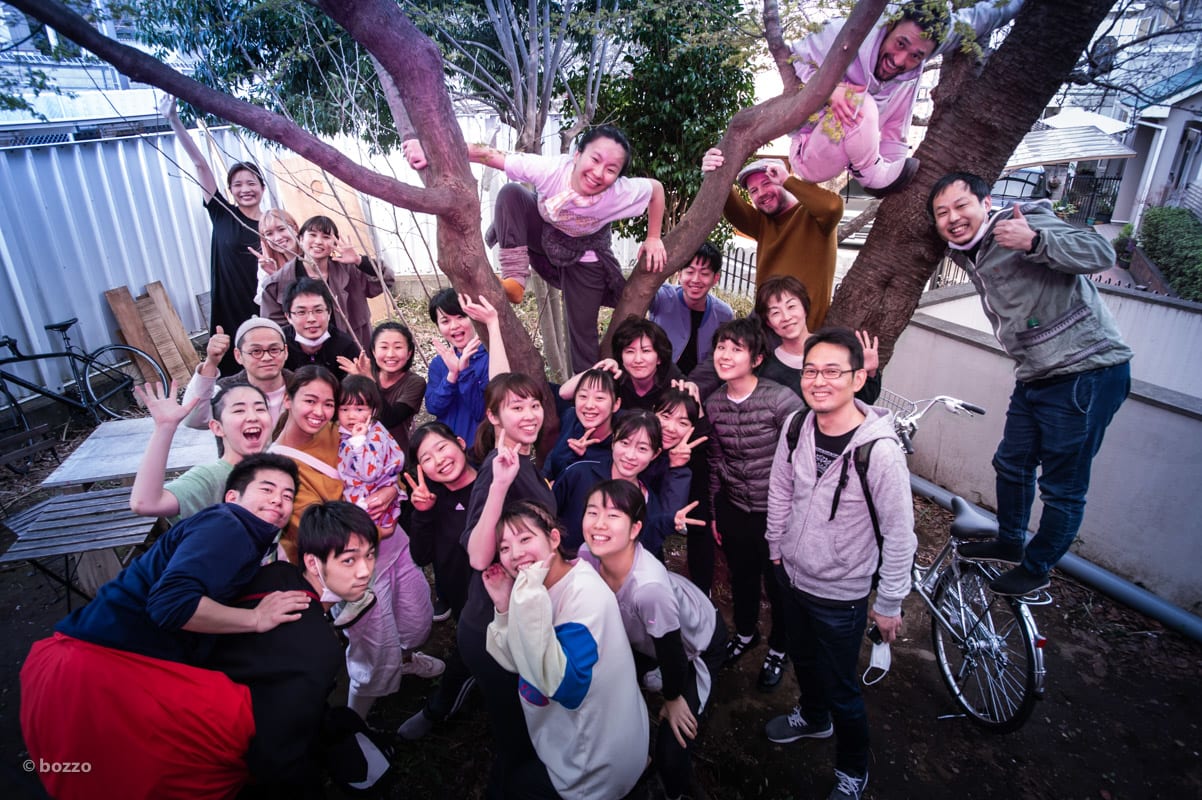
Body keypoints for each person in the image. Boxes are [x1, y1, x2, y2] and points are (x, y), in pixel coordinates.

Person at [20, 454, 302, 800]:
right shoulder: (229, 525)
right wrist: (255, 619)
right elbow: (172, 605)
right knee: (227, 735)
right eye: (267, 489)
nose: (278, 500)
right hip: (95, 670)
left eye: (288, 495)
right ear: (232, 497)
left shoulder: (239, 533)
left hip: (85, 660)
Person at [927, 171, 1132, 596]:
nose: (953, 218)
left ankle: (1037, 567)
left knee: (1061, 486)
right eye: (941, 213)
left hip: (1086, 370)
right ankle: (1011, 540)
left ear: (986, 204)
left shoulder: (1024, 222)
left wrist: (1036, 241)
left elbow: (1099, 252)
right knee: (1012, 462)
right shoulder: (969, 250)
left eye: (961, 206)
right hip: (1036, 374)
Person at [763, 327, 916, 800]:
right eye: (811, 371)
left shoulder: (880, 451)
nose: (819, 381)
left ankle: (853, 768)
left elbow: (900, 533)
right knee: (805, 661)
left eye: (832, 371)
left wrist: (888, 602)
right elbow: (781, 488)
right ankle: (813, 718)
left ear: (857, 378)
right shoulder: (797, 426)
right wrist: (775, 544)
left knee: (842, 687)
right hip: (792, 576)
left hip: (841, 594)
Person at [406, 126, 667, 372]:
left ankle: (588, 391)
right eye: (595, 159)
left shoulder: (620, 193)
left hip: (585, 254)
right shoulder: (551, 170)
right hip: (544, 233)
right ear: (577, 155)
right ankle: (515, 281)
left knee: (582, 336)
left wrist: (654, 237)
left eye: (611, 169)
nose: (599, 173)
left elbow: (656, 190)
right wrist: (431, 149)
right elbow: (489, 154)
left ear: (618, 177)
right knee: (511, 194)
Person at [270, 365, 441, 718]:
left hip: (394, 546)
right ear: (288, 399)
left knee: (415, 612)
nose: (320, 411)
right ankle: (356, 719)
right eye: (310, 401)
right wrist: (379, 530)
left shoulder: (342, 428)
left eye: (328, 403)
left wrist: (392, 489)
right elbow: (314, 534)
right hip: (354, 565)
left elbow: (384, 466)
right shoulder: (279, 466)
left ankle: (407, 659)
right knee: (374, 646)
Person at [202, 501, 390, 797]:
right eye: (349, 561)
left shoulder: (277, 573)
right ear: (313, 563)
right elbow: (280, 749)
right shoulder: (319, 651)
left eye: (369, 555)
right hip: (224, 755)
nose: (365, 571)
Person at [483, 499, 650, 800]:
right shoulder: (533, 586)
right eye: (504, 548)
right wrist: (505, 607)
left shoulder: (583, 596)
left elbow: (566, 687)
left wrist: (524, 599)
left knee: (510, 787)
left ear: (554, 538)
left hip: (591, 767)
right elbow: (516, 660)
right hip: (562, 737)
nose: (515, 554)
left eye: (525, 539)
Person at [579, 479, 726, 800]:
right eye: (592, 512)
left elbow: (674, 655)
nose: (599, 524)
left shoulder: (649, 590)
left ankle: (675, 792)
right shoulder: (587, 556)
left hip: (697, 644)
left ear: (635, 529)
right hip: (645, 635)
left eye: (613, 516)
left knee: (672, 750)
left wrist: (673, 698)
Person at [786, 1, 1025, 196]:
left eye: (915, 56)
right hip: (810, 152)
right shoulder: (844, 33)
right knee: (858, 100)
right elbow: (792, 61)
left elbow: (980, 19)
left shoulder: (921, 51)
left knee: (899, 92)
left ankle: (881, 173)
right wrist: (827, 88)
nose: (900, 60)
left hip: (859, 148)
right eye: (900, 44)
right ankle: (870, 172)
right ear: (889, 27)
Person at [460, 373, 557, 798]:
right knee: (517, 739)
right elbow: (478, 556)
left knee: (528, 727)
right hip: (492, 625)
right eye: (516, 407)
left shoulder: (523, 460)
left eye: (534, 405)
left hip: (516, 616)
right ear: (494, 416)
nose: (530, 414)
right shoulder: (497, 470)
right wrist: (500, 485)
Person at [704, 318, 803, 692]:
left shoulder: (781, 400)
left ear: (757, 359)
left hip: (777, 512)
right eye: (721, 347)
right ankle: (746, 633)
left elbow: (801, 460)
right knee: (742, 576)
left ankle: (780, 647)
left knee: (779, 586)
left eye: (736, 349)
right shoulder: (714, 404)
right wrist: (715, 511)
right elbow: (715, 460)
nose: (725, 355)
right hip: (734, 508)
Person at [160, 94, 264, 376]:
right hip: (228, 306)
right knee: (231, 369)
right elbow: (200, 165)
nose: (245, 189)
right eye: (237, 184)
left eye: (251, 183)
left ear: (262, 188)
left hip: (261, 306)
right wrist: (174, 120)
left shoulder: (271, 223)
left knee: (264, 361)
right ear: (230, 190)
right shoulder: (221, 213)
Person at [396, 422, 479, 741]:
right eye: (426, 459)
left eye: (442, 447)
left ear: (460, 442)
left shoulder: (491, 483)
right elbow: (421, 556)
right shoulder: (431, 498)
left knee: (468, 656)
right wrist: (422, 512)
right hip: (460, 599)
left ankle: (437, 709)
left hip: (499, 600)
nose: (439, 460)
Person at [700, 151, 841, 328]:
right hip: (766, 330)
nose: (761, 193)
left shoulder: (814, 217)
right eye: (753, 191)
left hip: (804, 333)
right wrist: (715, 170)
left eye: (767, 183)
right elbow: (730, 205)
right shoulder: (762, 223)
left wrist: (788, 181)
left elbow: (833, 207)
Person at [553, 410, 690, 558]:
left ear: (655, 454)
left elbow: (646, 552)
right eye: (625, 443)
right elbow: (547, 516)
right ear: (613, 442)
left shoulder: (648, 502)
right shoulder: (579, 474)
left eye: (642, 449)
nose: (630, 455)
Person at [130, 381, 272, 523]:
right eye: (239, 410)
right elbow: (146, 503)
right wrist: (165, 427)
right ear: (217, 428)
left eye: (260, 409)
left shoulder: (277, 468)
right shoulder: (211, 477)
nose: (253, 417)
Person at [260, 214, 395, 349]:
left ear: (335, 244)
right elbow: (274, 327)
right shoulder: (279, 281)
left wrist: (359, 260)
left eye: (326, 237)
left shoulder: (349, 270)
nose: (318, 241)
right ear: (300, 239)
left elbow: (386, 279)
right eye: (312, 235)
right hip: (307, 354)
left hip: (354, 347)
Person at [755, 275, 881, 405]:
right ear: (768, 322)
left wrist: (870, 372)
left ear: (804, 308)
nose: (786, 317)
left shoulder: (835, 350)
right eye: (775, 313)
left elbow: (864, 401)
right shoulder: (765, 367)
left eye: (791, 306)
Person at [559, 315, 693, 414]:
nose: (638, 359)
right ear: (621, 356)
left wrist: (692, 389)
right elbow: (565, 393)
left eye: (646, 351)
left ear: (659, 357)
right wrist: (598, 369)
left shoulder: (671, 378)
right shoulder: (616, 374)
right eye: (630, 351)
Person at [653, 387, 715, 594]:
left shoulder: (693, 457)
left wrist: (676, 466)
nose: (670, 428)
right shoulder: (637, 445)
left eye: (682, 422)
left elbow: (669, 514)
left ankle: (702, 594)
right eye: (665, 416)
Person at [181, 316, 292, 430]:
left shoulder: (300, 385)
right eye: (256, 351)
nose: (266, 357)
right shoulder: (226, 390)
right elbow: (193, 420)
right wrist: (211, 362)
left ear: (285, 352)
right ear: (238, 355)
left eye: (274, 350)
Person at [648, 240, 734, 375]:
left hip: (700, 384)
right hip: (658, 379)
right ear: (679, 274)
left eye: (704, 273)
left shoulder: (723, 314)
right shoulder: (662, 298)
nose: (695, 280)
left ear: (715, 279)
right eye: (690, 271)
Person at [336, 375, 405, 538]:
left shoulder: (372, 436)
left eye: (359, 409)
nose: (351, 416)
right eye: (344, 409)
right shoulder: (346, 432)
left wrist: (358, 442)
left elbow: (369, 473)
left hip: (368, 504)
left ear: (373, 410)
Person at [345, 321, 426, 456]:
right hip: (358, 453)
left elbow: (390, 419)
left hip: (394, 457)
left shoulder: (415, 383)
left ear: (409, 352)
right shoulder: (361, 373)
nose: (390, 354)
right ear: (373, 351)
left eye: (398, 347)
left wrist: (369, 382)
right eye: (384, 347)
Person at [424, 288, 491, 444]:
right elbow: (433, 407)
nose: (454, 326)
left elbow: (481, 411)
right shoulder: (439, 364)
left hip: (480, 448)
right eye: (445, 321)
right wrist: (451, 376)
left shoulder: (490, 358)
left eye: (461, 316)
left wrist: (465, 371)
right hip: (447, 448)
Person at [543, 367, 621, 482]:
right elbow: (553, 460)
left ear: (616, 405)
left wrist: (580, 458)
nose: (589, 405)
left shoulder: (622, 444)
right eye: (583, 396)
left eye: (599, 398)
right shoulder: (571, 418)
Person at [281, 277, 361, 379]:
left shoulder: (345, 346)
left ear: (329, 312)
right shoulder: (279, 344)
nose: (311, 319)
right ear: (288, 316)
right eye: (301, 312)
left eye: (318, 310)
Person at [250, 208, 300, 305]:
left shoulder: (312, 254)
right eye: (269, 234)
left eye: (281, 229)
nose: (277, 238)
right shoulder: (267, 263)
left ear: (295, 229)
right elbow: (262, 301)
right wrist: (274, 276)